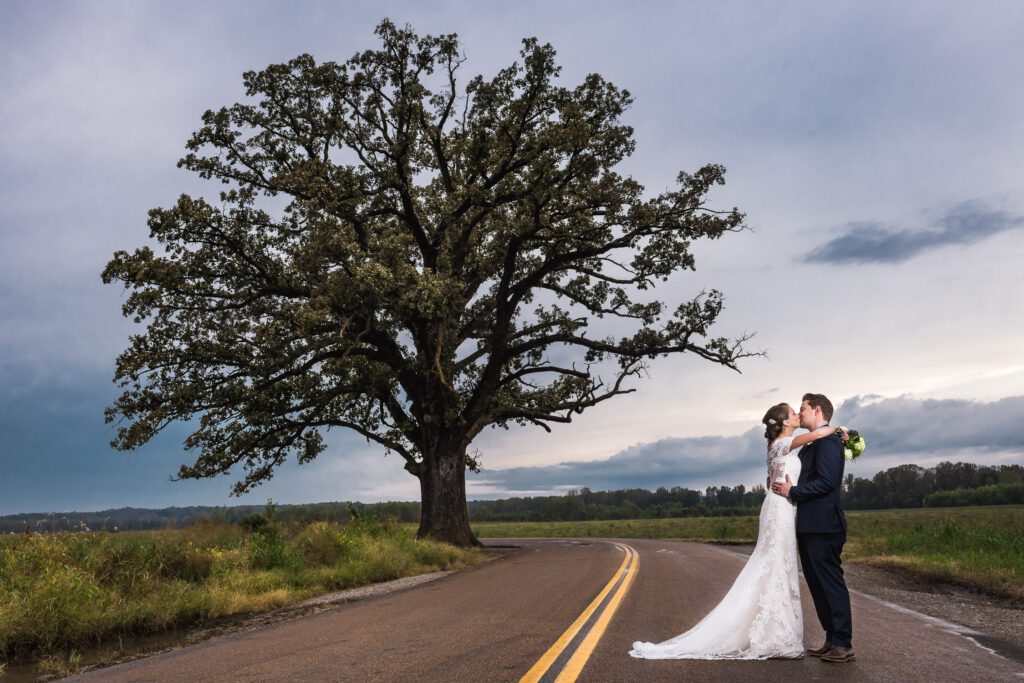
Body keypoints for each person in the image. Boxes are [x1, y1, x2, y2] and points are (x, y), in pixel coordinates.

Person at [629, 401, 830, 660]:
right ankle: (774, 636)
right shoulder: (781, 444)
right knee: (776, 565)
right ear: (783, 423)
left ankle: (776, 632)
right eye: (792, 413)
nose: (796, 415)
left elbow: (772, 479)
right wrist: (840, 432)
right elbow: (817, 434)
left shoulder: (778, 448)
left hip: (783, 506)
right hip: (779, 510)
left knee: (780, 566)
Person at [771, 393, 855, 663]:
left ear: (817, 410)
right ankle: (831, 638)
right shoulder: (809, 446)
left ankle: (843, 643)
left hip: (824, 525)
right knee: (817, 585)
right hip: (807, 525)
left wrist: (793, 491)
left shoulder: (829, 442)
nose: (800, 412)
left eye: (803, 408)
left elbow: (827, 482)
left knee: (829, 583)